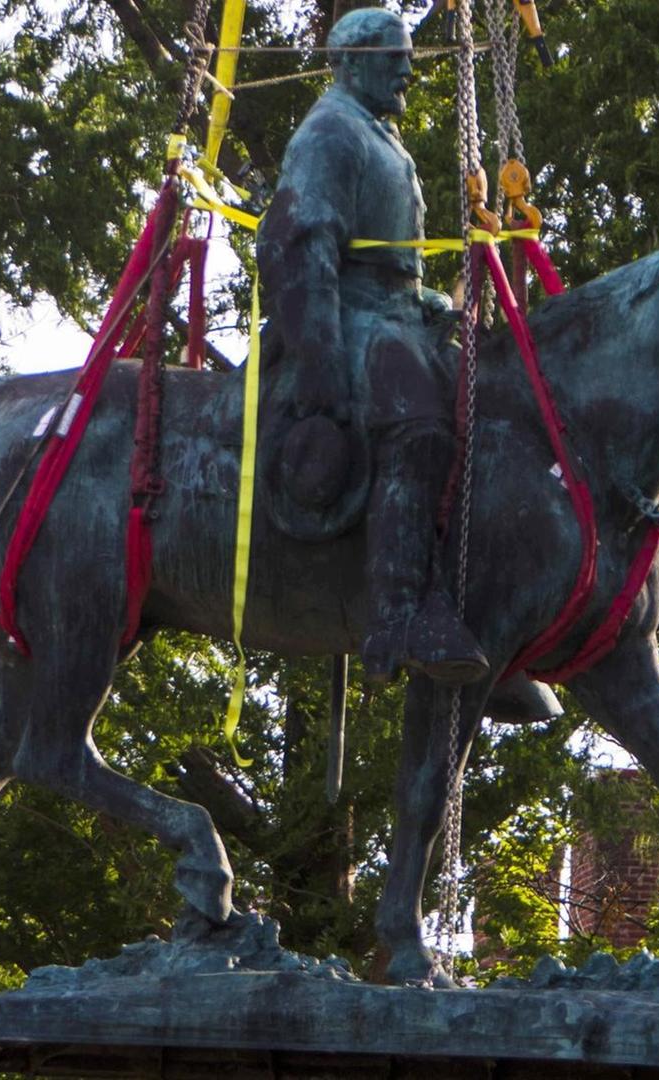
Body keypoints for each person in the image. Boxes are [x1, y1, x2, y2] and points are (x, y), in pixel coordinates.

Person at [256, 6, 488, 685]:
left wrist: (429, 304)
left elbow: (393, 261)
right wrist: (319, 358)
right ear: (352, 60)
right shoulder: (330, 133)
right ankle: (398, 614)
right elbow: (304, 248)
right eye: (394, 57)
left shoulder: (378, 135)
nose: (408, 69)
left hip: (393, 313)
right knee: (418, 426)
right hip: (345, 318)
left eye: (407, 55)